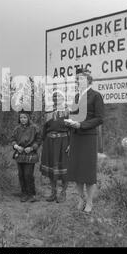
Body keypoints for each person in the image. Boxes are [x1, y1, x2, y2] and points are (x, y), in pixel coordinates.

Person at [65, 68, 104, 213]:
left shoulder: (96, 96)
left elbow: (100, 118)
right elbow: (75, 117)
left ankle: (89, 202)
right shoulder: (76, 97)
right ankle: (80, 199)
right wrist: (71, 123)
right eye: (76, 79)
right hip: (76, 137)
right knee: (76, 171)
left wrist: (82, 125)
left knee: (87, 172)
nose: (77, 81)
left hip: (88, 137)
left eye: (80, 79)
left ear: (88, 81)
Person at [40, 91, 70, 203]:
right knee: (52, 169)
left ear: (63, 98)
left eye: (59, 96)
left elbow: (72, 129)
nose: (56, 99)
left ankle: (63, 193)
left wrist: (71, 144)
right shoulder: (49, 112)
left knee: (64, 169)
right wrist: (42, 141)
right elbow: (44, 128)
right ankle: (53, 192)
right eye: (54, 97)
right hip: (49, 142)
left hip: (63, 142)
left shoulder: (68, 112)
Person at [11, 111, 42, 202]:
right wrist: (16, 146)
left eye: (25, 117)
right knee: (21, 175)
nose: (23, 119)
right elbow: (12, 139)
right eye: (21, 118)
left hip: (30, 154)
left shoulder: (34, 128)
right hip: (20, 153)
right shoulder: (17, 129)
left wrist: (32, 148)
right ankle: (24, 193)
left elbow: (39, 140)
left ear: (28, 118)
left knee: (28, 174)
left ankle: (31, 194)